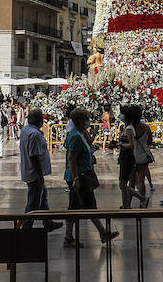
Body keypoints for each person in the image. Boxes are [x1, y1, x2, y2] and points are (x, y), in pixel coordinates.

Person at [62, 107, 117, 247]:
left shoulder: (79, 134)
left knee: (81, 206)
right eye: (86, 119)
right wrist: (75, 179)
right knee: (86, 205)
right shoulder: (74, 136)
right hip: (79, 177)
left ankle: (73, 236)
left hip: (81, 175)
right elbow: (72, 159)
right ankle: (102, 233)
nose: (88, 122)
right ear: (80, 121)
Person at [19, 109, 63, 232]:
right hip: (34, 173)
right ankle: (26, 227)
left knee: (42, 197)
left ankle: (47, 222)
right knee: (33, 201)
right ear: (39, 120)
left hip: (29, 170)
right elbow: (34, 156)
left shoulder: (25, 130)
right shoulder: (35, 134)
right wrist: (39, 175)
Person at [117, 105, 148, 208]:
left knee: (125, 183)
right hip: (129, 157)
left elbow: (131, 145)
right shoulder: (127, 127)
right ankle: (127, 204)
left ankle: (139, 199)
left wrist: (121, 145)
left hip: (128, 157)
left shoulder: (129, 129)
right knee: (125, 183)